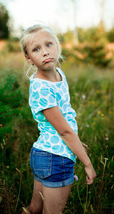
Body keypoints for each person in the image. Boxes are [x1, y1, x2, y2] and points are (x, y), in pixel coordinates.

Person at [20, 24, 96, 214]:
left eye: (48, 44)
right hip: (55, 159)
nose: (45, 52)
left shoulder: (59, 75)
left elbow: (64, 121)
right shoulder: (41, 88)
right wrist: (87, 163)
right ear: (29, 58)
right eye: (36, 49)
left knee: (35, 208)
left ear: (57, 46)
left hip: (47, 153)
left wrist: (76, 142)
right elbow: (64, 131)